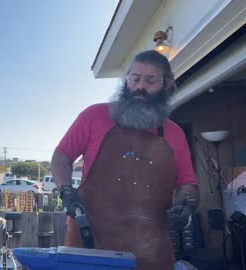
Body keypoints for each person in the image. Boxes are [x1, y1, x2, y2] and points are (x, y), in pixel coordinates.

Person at [51, 50, 199, 270]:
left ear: (166, 86)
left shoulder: (174, 134)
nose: (140, 86)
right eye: (135, 78)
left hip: (151, 248)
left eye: (150, 80)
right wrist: (65, 190)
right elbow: (62, 156)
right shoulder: (94, 116)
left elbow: (188, 184)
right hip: (89, 241)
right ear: (126, 80)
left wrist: (185, 206)